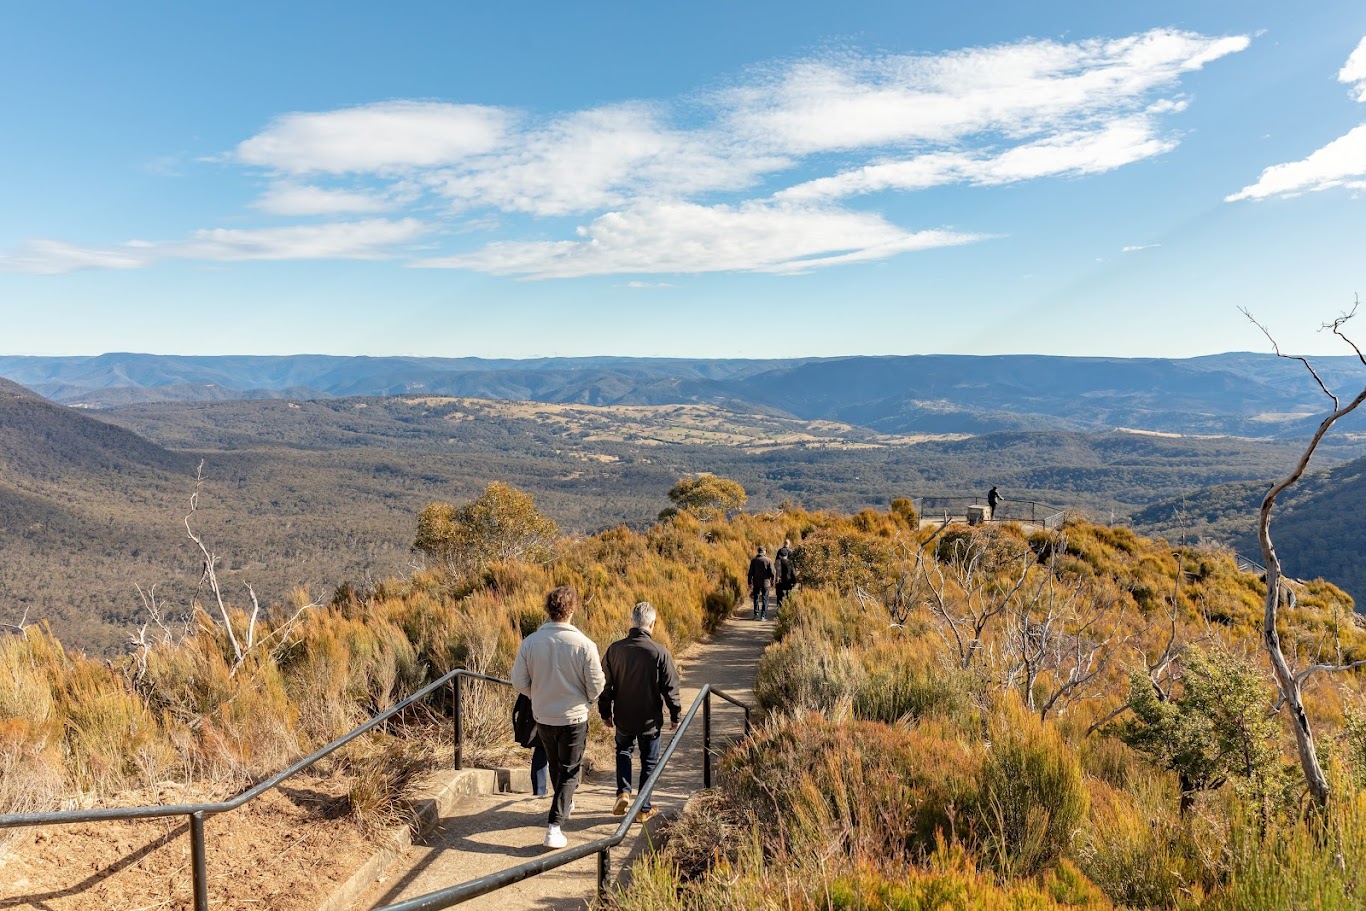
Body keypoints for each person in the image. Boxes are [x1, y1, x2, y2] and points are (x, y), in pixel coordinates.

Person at [511, 586, 606, 849]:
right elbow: (597, 684)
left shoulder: (530, 642)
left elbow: (518, 681)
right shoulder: (585, 644)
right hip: (574, 716)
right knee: (570, 769)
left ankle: (564, 802)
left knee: (555, 765)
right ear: (572, 609)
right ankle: (554, 825)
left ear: (547, 609)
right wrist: (586, 699)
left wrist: (538, 694)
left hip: (543, 715)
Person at [598, 601, 682, 822]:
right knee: (649, 762)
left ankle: (623, 792)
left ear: (632, 622)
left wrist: (605, 712)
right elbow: (670, 687)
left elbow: (605, 685)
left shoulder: (614, 650)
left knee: (623, 752)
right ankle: (643, 808)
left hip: (623, 716)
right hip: (650, 719)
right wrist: (675, 715)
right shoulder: (659, 652)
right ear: (652, 624)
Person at [747, 545, 776, 620]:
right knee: (765, 599)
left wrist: (749, 582)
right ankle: (763, 616)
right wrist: (773, 581)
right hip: (766, 582)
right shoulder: (768, 560)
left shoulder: (754, 561)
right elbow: (773, 572)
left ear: (758, 551)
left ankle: (756, 614)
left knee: (756, 598)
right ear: (764, 552)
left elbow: (750, 572)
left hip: (756, 582)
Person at [774, 538, 797, 610]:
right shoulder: (791, 552)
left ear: (784, 543)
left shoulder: (779, 552)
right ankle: (787, 608)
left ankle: (779, 608)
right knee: (788, 595)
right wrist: (794, 581)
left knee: (779, 596)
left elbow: (776, 566)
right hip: (788, 579)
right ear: (789, 544)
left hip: (780, 579)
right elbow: (793, 571)